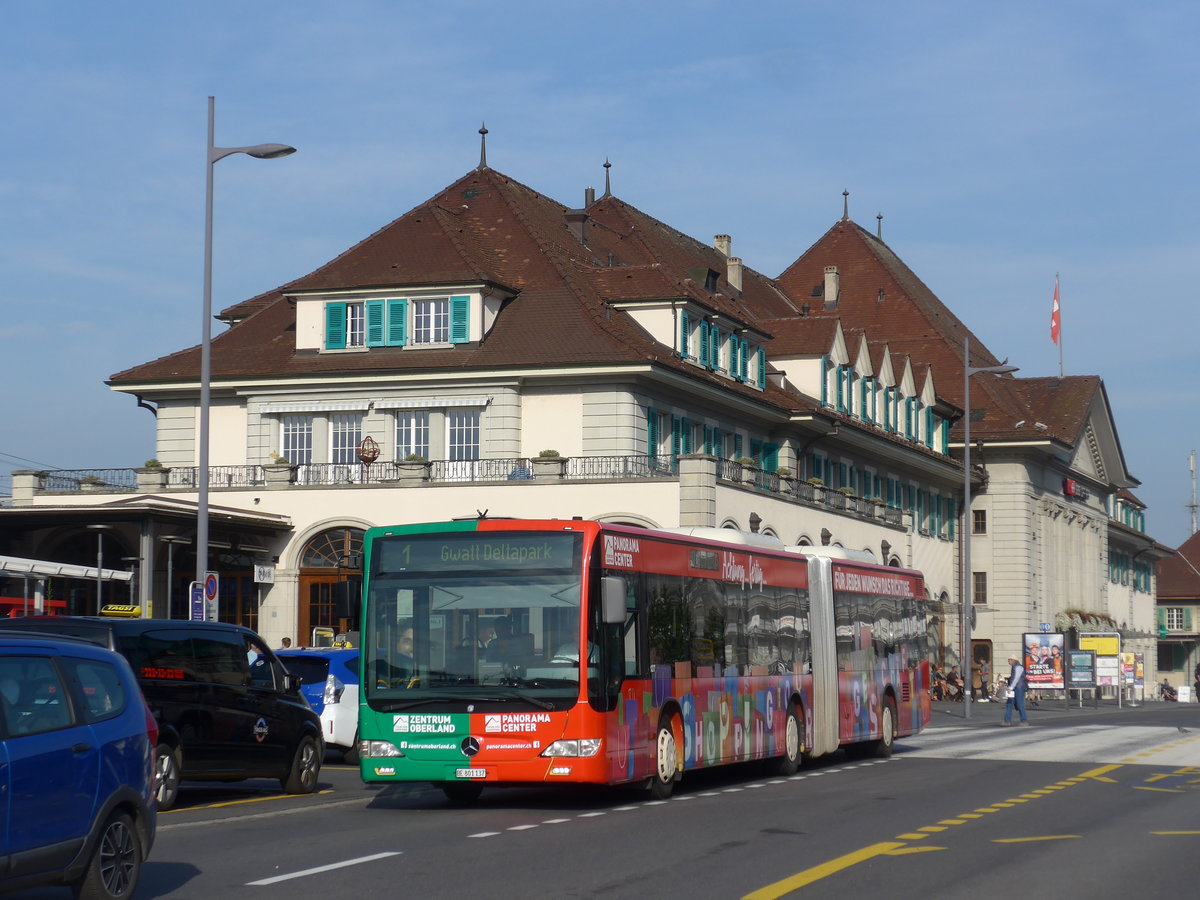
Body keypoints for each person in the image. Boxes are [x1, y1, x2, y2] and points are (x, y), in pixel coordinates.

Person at [1003, 654, 1029, 725]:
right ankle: (1007, 721)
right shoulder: (1014, 667)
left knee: (1020, 704)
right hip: (1014, 688)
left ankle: (1024, 720)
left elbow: (1016, 678)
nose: (1008, 661)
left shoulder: (1019, 667)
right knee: (1009, 704)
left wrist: (1011, 688)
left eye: (1009, 660)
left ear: (1013, 660)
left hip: (1019, 688)